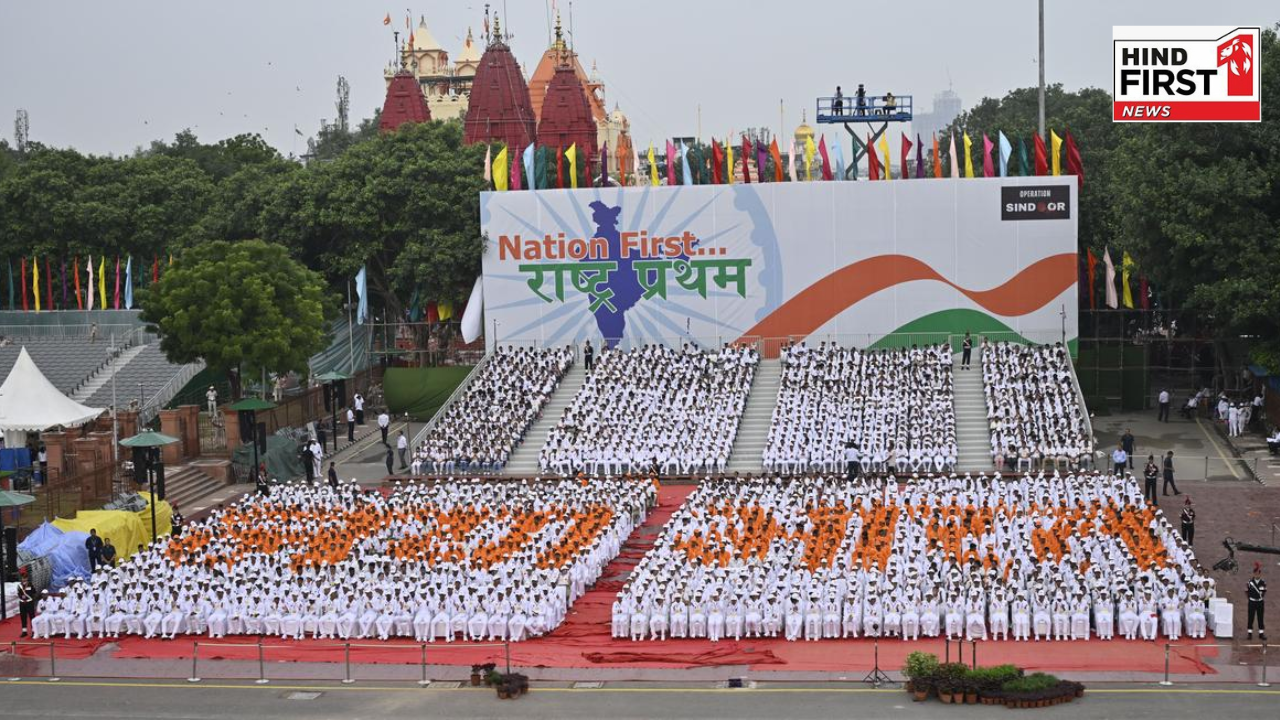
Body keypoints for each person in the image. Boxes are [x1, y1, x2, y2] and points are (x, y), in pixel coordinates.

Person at [1247, 563, 1267, 641]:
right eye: (1255, 573)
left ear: (1260, 574)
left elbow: (1264, 591)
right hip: (1252, 602)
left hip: (1260, 602)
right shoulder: (1250, 582)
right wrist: (1251, 598)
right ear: (1254, 573)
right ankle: (1249, 634)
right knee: (1250, 617)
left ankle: (1261, 633)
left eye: (1258, 573)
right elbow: (1247, 592)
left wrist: (1259, 597)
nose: (1257, 575)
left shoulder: (1263, 582)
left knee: (1260, 618)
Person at [18, 572, 36, 637]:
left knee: (32, 617)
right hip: (22, 603)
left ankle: (34, 631)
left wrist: (29, 597)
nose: (24, 579)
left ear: (27, 578)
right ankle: (24, 631)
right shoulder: (19, 585)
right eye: (23, 578)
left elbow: (34, 592)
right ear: (21, 578)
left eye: (25, 578)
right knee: (23, 617)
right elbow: (19, 593)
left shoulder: (30, 584)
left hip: (29, 603)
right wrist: (21, 597)